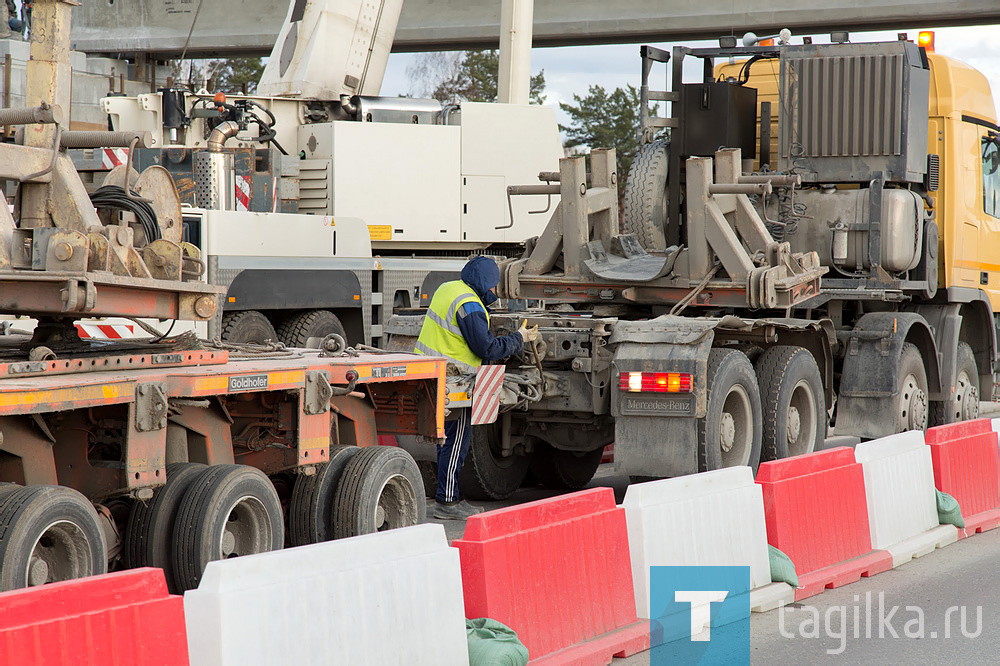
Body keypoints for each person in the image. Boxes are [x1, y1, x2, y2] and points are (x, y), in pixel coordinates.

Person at [414, 256, 537, 520]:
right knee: (457, 441)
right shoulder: (469, 305)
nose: (493, 292)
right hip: (454, 380)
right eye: (492, 287)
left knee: (445, 441)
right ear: (482, 283)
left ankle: (447, 497)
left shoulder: (449, 288)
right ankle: (448, 503)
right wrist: (519, 339)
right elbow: (487, 348)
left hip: (433, 373)